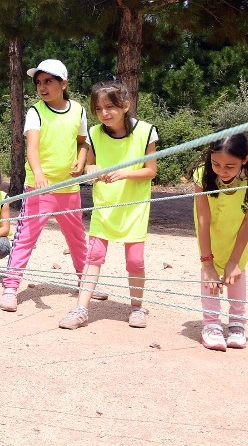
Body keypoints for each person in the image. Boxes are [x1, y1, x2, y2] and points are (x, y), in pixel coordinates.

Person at [58, 81, 157, 329]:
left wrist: (123, 173)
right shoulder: (94, 133)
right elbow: (90, 167)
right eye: (99, 108)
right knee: (95, 256)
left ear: (125, 105)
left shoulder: (146, 132)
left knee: (135, 260)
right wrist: (90, 169)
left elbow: (150, 171)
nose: (105, 113)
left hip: (133, 207)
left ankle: (137, 307)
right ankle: (81, 309)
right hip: (104, 205)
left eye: (110, 107)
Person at [0, 59, 89, 312]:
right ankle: (10, 287)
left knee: (77, 239)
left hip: (69, 189)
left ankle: (86, 282)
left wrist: (81, 161)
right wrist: (38, 173)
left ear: (64, 83)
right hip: (38, 189)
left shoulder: (79, 111)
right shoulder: (35, 112)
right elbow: (32, 147)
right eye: (38, 82)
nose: (42, 87)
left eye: (48, 81)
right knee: (25, 238)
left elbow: (83, 142)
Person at [193, 134, 248, 351]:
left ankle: (237, 323)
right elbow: (203, 218)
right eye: (216, 164)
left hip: (238, 231)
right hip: (211, 231)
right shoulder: (202, 174)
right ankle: (211, 324)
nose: (222, 171)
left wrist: (234, 260)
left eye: (229, 166)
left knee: (237, 272)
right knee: (211, 275)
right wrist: (207, 263)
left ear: (244, 160)